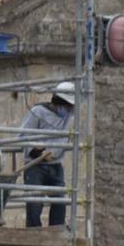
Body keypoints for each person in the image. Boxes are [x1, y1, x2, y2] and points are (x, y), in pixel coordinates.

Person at [16, 81, 76, 228]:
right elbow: (23, 136)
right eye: (67, 106)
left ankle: (56, 231)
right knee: (35, 202)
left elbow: (67, 136)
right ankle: (34, 233)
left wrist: (55, 152)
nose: (68, 109)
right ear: (58, 102)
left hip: (55, 165)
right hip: (35, 165)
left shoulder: (68, 117)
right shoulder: (38, 112)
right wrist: (36, 151)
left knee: (60, 200)